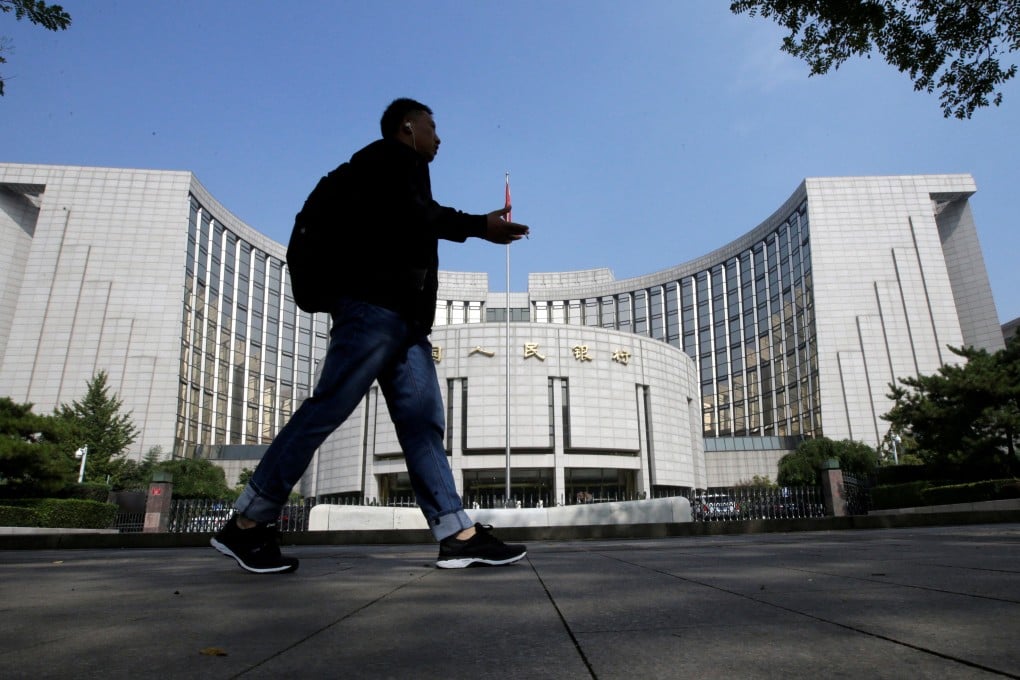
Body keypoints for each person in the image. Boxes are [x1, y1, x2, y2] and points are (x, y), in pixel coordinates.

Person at [211, 98, 530, 574]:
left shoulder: (394, 167)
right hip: (374, 312)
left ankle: (456, 534)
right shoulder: (390, 159)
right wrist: (479, 227)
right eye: (431, 126)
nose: (438, 137)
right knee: (329, 407)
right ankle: (248, 523)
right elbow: (419, 217)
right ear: (407, 127)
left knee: (422, 423)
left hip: (403, 324)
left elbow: (412, 224)